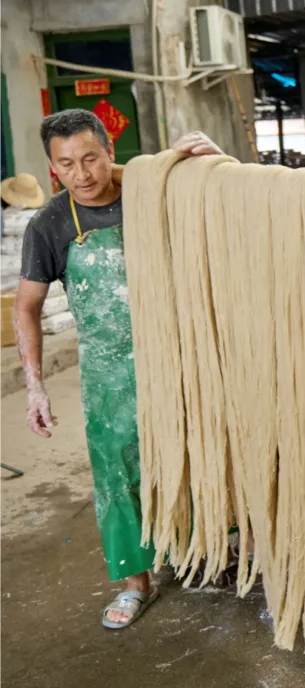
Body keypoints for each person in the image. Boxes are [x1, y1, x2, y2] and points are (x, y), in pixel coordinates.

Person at [14, 109, 223, 629]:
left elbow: (226, 205)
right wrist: (34, 386)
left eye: (91, 157)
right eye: (67, 164)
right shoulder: (50, 224)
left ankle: (211, 547)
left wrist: (214, 160)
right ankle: (135, 582)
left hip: (177, 357)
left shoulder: (151, 191)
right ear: (52, 168)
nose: (83, 173)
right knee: (118, 474)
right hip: (109, 374)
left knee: (201, 453)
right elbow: (26, 307)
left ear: (110, 149)